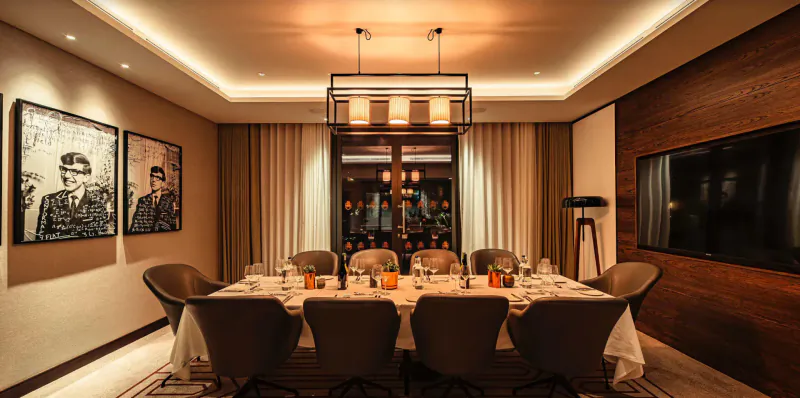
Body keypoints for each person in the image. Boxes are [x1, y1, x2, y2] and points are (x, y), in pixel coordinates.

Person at [35, 152, 108, 240]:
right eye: (64, 169)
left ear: (86, 177)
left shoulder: (98, 202)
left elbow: (101, 239)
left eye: (74, 172)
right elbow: (41, 238)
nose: (66, 176)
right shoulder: (48, 200)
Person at [130, 166, 178, 232]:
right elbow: (135, 225)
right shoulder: (142, 201)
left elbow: (173, 227)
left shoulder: (168, 202)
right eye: (152, 176)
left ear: (163, 183)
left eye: (157, 178)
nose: (153, 180)